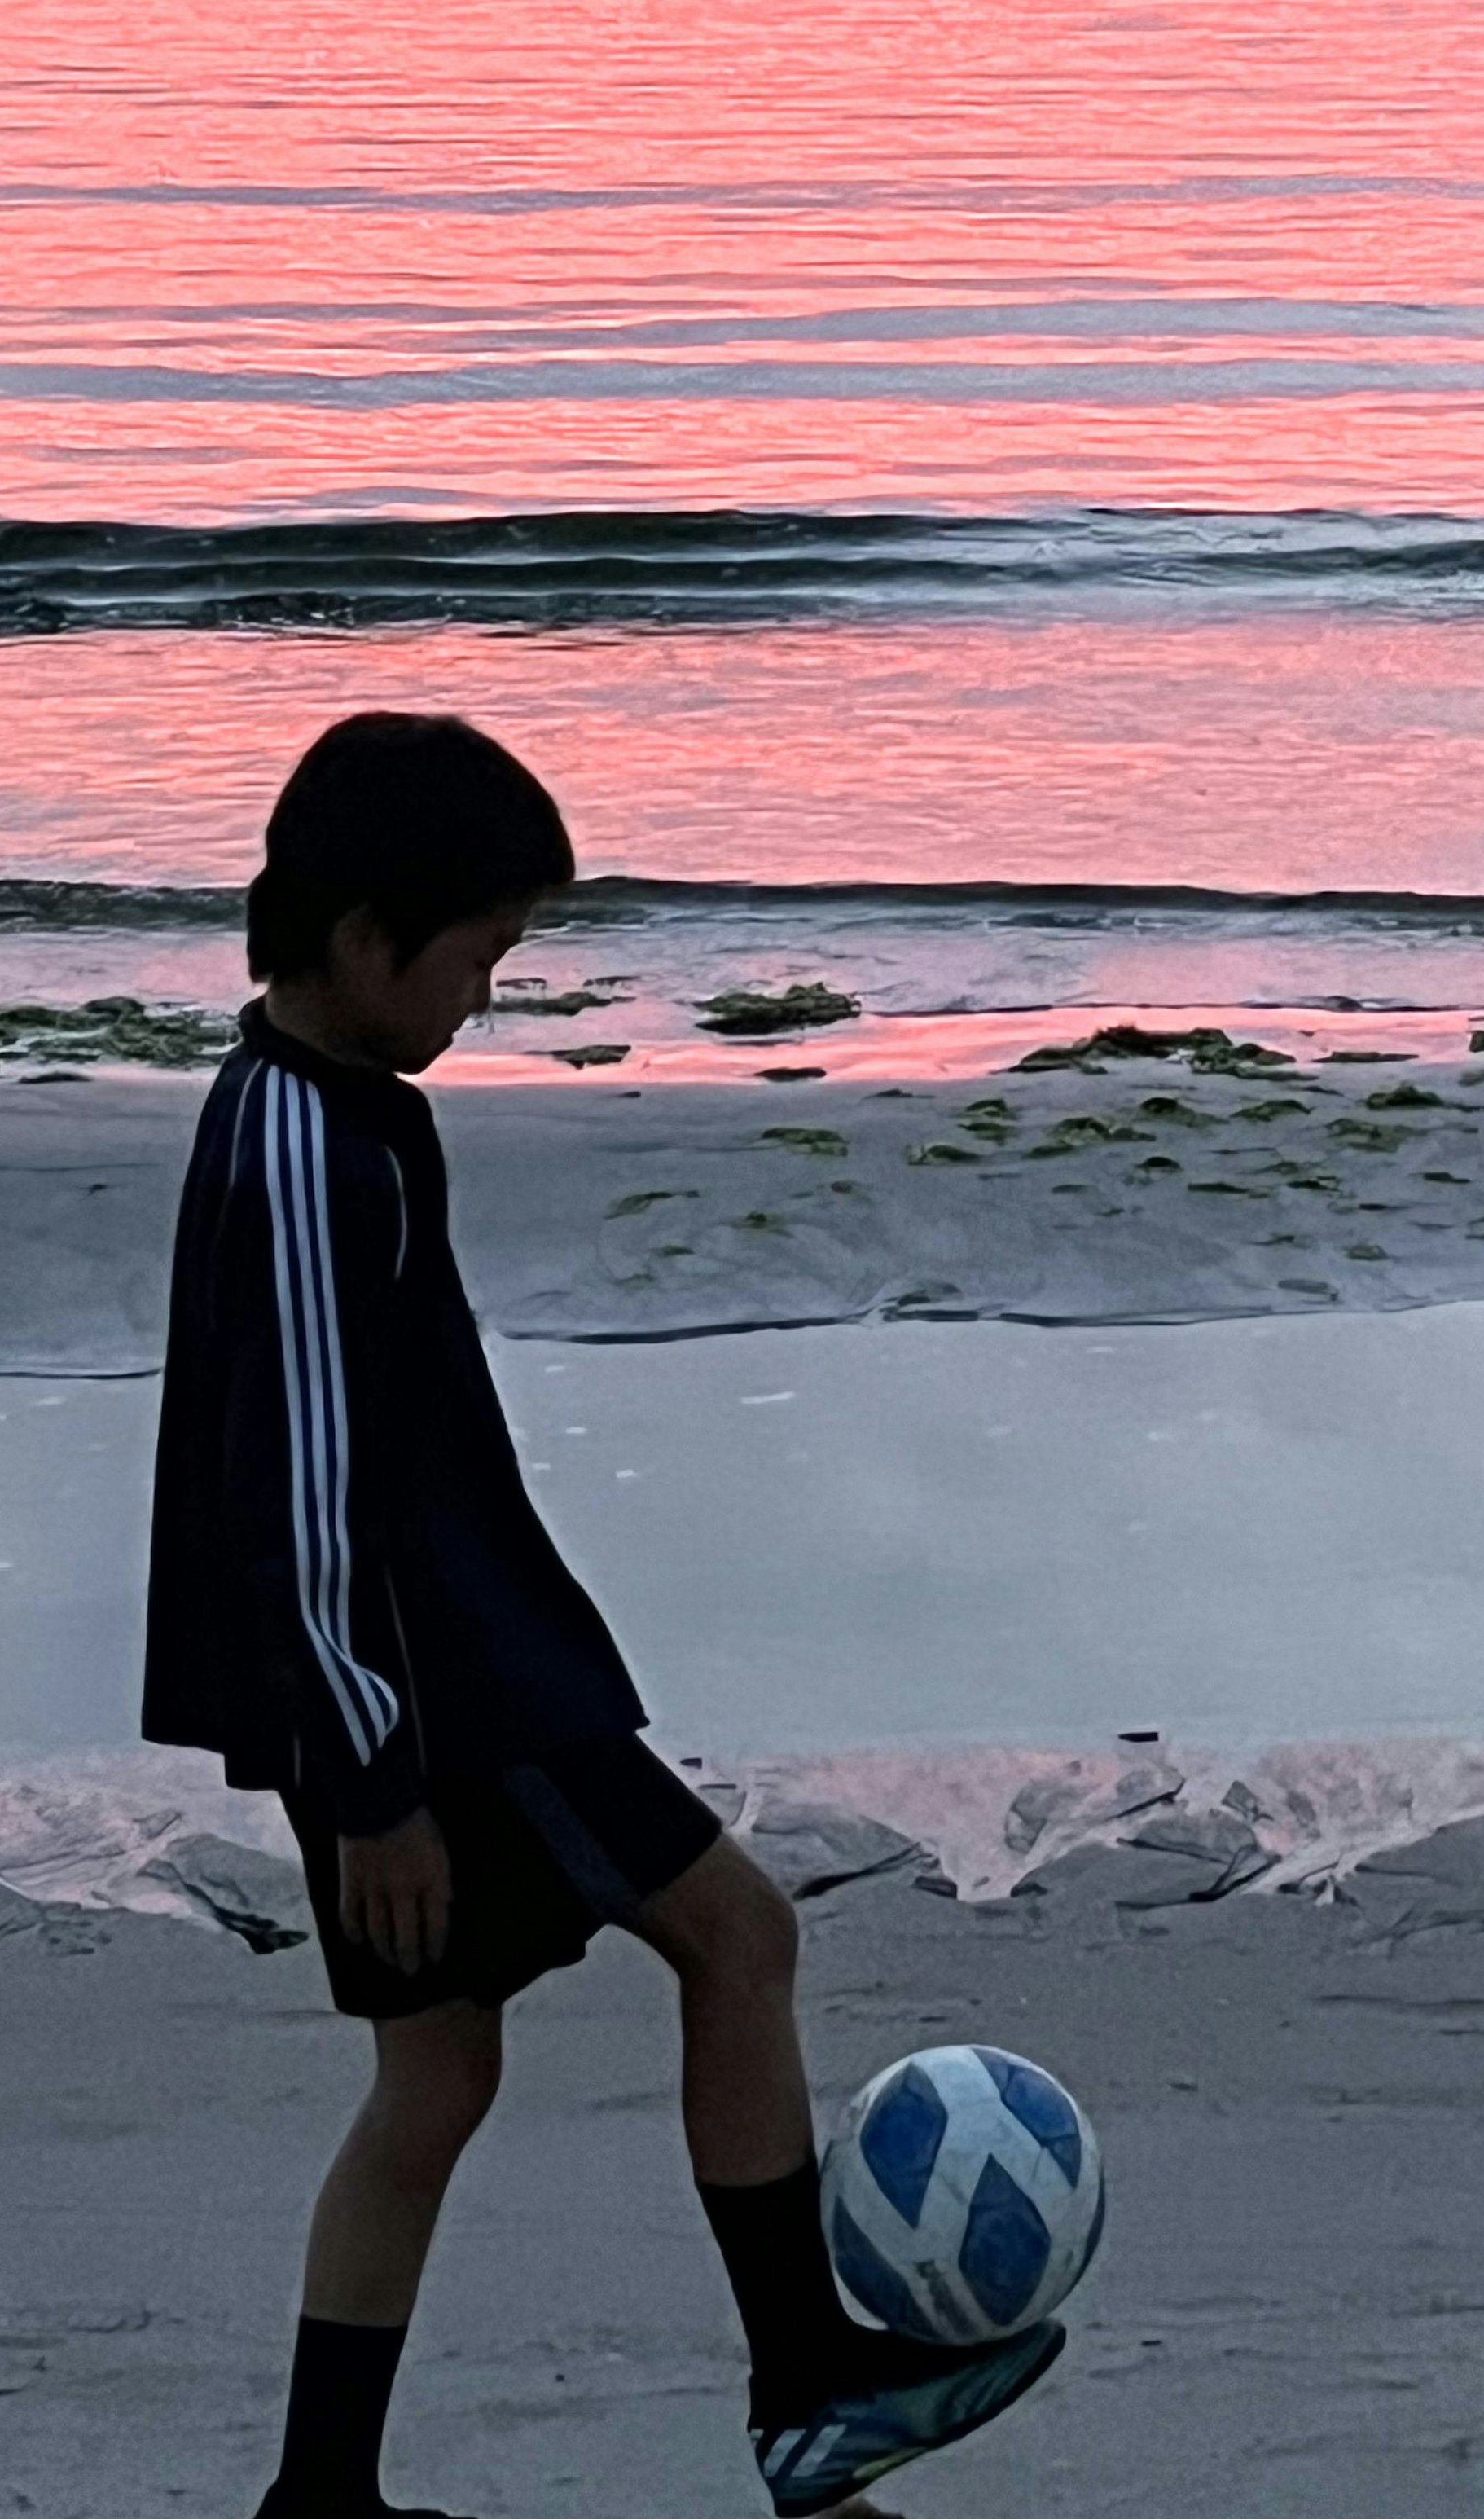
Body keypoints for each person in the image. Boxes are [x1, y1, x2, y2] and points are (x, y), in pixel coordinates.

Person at [143, 710, 1063, 2518]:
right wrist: (377, 1778)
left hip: (421, 1681)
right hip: (442, 1696)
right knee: (738, 1939)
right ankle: (805, 2386)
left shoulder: (330, 1110)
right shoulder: (307, 1151)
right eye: (481, 956)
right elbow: (302, 1491)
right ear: (362, 937)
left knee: (440, 2067)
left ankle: (320, 2497)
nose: (487, 996)